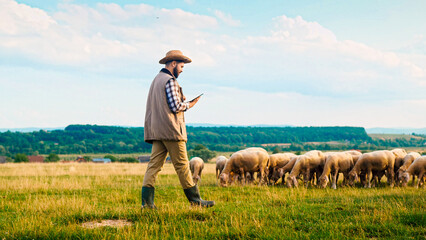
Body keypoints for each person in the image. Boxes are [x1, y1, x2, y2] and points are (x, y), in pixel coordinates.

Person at [141, 50, 215, 209]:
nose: (182, 69)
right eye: (181, 66)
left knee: (153, 166)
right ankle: (196, 201)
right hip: (171, 130)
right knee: (182, 165)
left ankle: (147, 204)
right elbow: (175, 106)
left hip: (157, 130)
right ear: (173, 63)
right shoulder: (170, 81)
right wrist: (190, 104)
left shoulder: (156, 80)